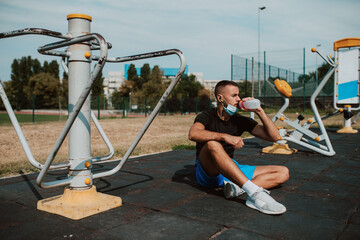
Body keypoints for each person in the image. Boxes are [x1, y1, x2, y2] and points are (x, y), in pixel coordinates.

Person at [188, 80, 289, 215]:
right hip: (209, 171)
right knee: (213, 144)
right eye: (234, 95)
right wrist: (224, 136)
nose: (239, 99)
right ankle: (254, 194)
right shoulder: (207, 116)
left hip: (230, 167)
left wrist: (259, 110)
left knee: (283, 172)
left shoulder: (239, 120)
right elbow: (193, 134)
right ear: (220, 98)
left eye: (238, 95)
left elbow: (275, 137)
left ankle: (237, 188)